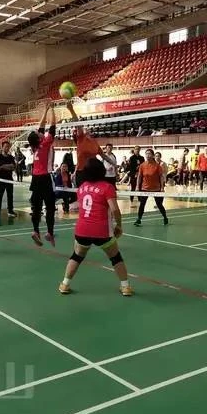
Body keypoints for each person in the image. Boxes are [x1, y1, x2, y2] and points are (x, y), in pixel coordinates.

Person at [58, 158, 132, 297]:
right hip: (102, 231)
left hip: (82, 229)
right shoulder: (107, 187)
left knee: (76, 256)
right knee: (116, 258)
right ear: (102, 171)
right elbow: (114, 209)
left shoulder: (82, 187)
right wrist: (119, 225)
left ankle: (65, 284)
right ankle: (125, 287)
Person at [28, 102, 57, 246]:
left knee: (36, 207)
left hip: (35, 178)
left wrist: (45, 110)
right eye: (38, 133)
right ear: (39, 138)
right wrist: (52, 109)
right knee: (50, 207)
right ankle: (50, 232)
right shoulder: (45, 143)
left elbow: (41, 127)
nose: (39, 131)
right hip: (45, 177)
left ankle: (36, 231)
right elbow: (53, 125)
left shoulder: (34, 146)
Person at [134, 148, 168, 226]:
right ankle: (139, 219)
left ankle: (165, 217)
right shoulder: (142, 165)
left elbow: (161, 177)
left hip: (156, 188)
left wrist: (162, 188)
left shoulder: (157, 166)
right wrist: (137, 186)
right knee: (142, 204)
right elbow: (139, 176)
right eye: (146, 154)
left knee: (159, 204)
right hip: (145, 188)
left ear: (152, 155)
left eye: (149, 154)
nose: (147, 155)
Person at [0, 141, 17, 218]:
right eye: (6, 146)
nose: (7, 148)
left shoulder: (11, 157)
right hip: (1, 180)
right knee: (0, 197)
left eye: (8, 147)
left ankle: (10, 211)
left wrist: (3, 166)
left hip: (9, 179)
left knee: (10, 196)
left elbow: (13, 167)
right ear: (2, 147)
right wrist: (8, 166)